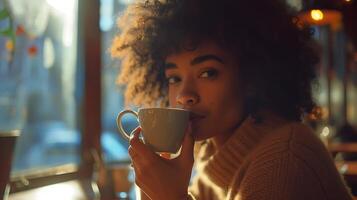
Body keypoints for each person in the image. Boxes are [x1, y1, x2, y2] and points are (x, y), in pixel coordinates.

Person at [111, 0, 353, 199]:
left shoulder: (285, 159)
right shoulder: (212, 152)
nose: (185, 95)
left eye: (208, 72)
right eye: (174, 78)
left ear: (252, 77)